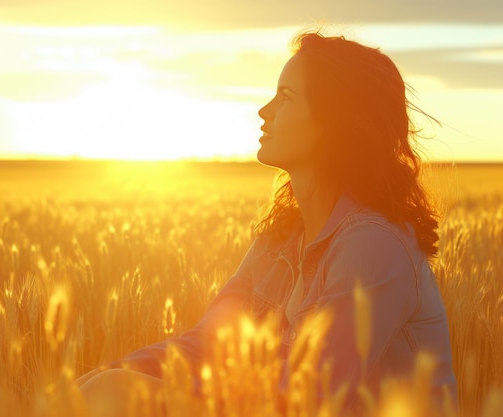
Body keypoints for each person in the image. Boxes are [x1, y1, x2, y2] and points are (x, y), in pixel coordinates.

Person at [77, 30, 457, 415]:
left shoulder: (374, 245)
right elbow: (210, 342)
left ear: (335, 122)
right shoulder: (281, 238)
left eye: (286, 97)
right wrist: (104, 376)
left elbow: (311, 397)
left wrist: (132, 393)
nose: (264, 110)